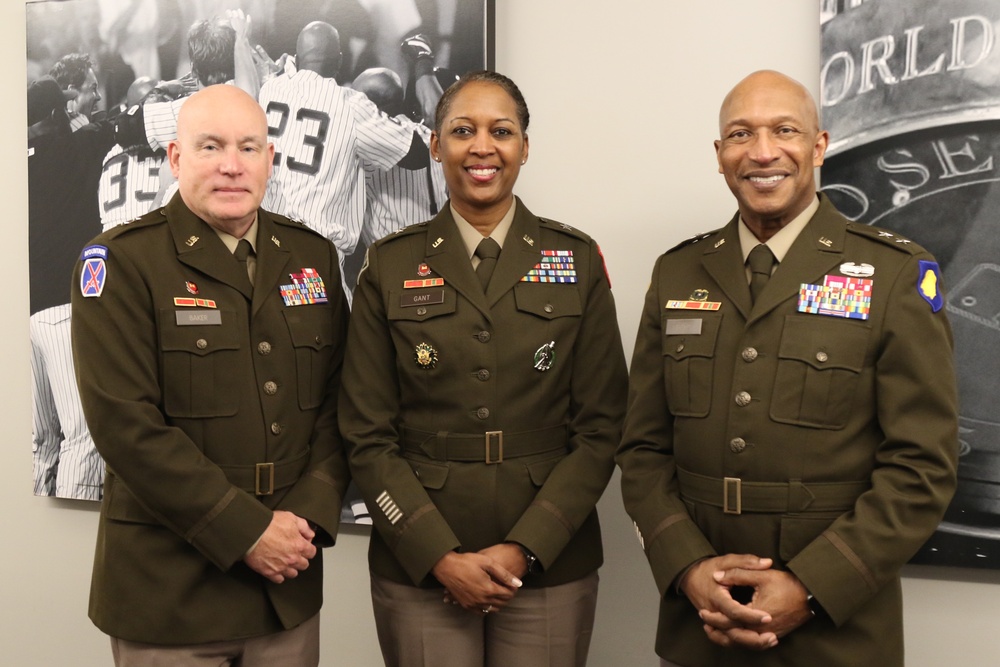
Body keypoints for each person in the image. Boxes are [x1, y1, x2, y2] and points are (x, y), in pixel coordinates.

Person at [615, 69, 959, 667]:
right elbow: (643, 449)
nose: (763, 151)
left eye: (785, 130)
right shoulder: (677, 273)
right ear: (720, 155)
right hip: (700, 624)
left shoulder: (894, 273)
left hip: (836, 633)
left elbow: (922, 466)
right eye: (741, 134)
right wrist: (687, 567)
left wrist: (813, 586)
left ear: (819, 146)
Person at [339, 70, 628, 667]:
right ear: (435, 145)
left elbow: (602, 429)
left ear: (525, 146)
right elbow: (367, 436)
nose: (482, 147)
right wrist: (437, 553)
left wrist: (528, 547)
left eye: (502, 131)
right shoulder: (388, 266)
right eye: (462, 130)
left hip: (550, 559)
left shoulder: (575, 259)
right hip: (420, 560)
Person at [71, 84, 350, 665]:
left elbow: (341, 402)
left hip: (286, 590)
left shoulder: (313, 257)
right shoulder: (120, 261)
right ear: (175, 158)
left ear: (269, 159)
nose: (231, 165)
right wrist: (248, 532)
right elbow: (126, 427)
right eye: (210, 146)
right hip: (170, 593)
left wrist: (307, 516)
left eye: (248, 147)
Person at [257, 20, 431, 300]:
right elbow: (417, 155)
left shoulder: (269, 91)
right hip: (309, 266)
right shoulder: (349, 104)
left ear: (298, 58)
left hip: (263, 254)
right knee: (327, 340)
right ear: (338, 62)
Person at [28, 64, 116, 500]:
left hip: (24, 319)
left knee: (41, 443)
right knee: (84, 438)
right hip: (62, 313)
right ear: (57, 112)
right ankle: (71, 552)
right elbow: (118, 125)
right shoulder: (73, 149)